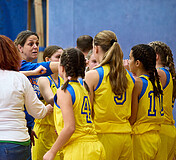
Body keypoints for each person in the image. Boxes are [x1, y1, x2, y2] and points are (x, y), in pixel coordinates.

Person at [43, 48, 105, 160]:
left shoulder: (64, 91)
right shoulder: (84, 88)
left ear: (61, 67)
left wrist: (52, 151)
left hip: (79, 149)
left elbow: (70, 127)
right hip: (96, 146)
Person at [84, 30, 135, 160]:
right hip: (125, 136)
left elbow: (87, 111)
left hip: (103, 136)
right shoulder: (129, 76)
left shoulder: (93, 75)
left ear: (95, 49)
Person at [14, 30, 59, 157]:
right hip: (15, 128)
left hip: (28, 127)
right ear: (20, 47)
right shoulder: (19, 66)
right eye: (31, 44)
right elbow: (47, 67)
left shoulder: (32, 68)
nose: (35, 47)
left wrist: (29, 127)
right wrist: (70, 63)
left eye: (37, 43)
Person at [128, 44, 163, 160]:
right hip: (156, 137)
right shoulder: (157, 83)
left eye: (130, 58)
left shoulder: (138, 83)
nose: (128, 62)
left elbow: (132, 118)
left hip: (141, 139)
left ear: (137, 63)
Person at [32, 45, 64, 160]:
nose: (61, 61)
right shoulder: (43, 79)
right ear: (47, 60)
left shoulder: (63, 80)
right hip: (44, 131)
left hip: (58, 131)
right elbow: (50, 99)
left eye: (63, 57)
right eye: (58, 57)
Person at [149, 41, 176, 160]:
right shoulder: (167, 73)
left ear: (155, 56)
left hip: (162, 130)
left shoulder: (159, 73)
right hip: (168, 130)